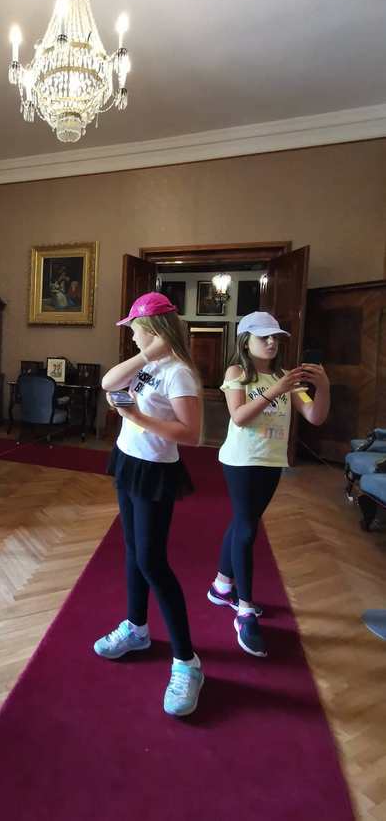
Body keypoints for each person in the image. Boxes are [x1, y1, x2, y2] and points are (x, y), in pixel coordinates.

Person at [95, 292, 204, 717]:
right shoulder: (150, 364)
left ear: (154, 330)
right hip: (129, 460)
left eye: (137, 330)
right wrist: (145, 358)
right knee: (132, 552)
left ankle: (187, 662)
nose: (132, 337)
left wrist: (137, 417)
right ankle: (137, 628)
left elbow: (191, 434)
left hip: (156, 469)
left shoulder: (179, 374)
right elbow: (109, 383)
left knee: (152, 562)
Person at [207, 311, 330, 658]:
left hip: (272, 462)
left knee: (243, 521)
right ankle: (244, 610)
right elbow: (239, 417)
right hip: (242, 461)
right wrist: (276, 390)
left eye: (276, 337)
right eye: (264, 337)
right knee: (247, 528)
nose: (272, 342)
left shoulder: (283, 376)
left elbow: (315, 416)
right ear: (246, 340)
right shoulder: (237, 373)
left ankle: (221, 587)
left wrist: (323, 387)